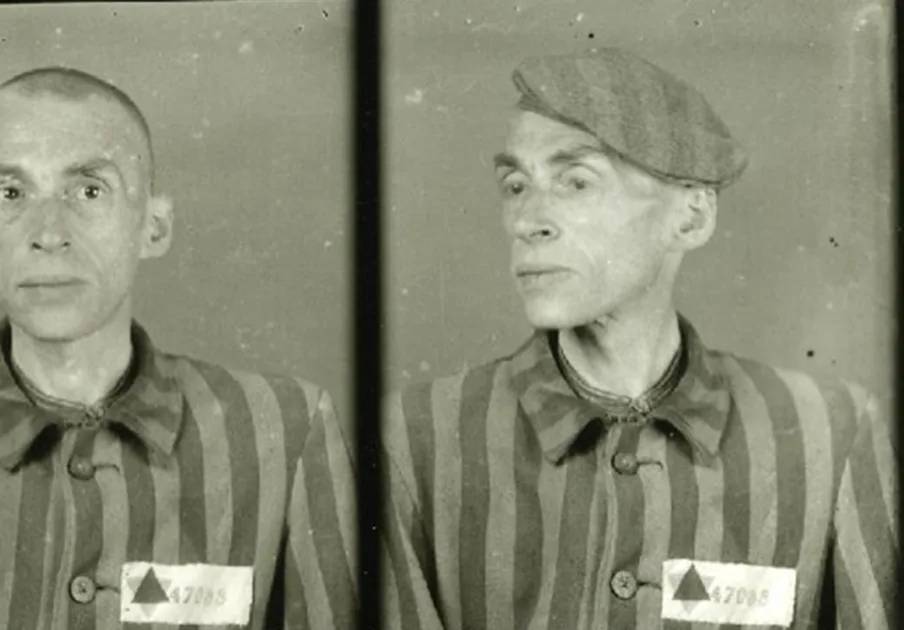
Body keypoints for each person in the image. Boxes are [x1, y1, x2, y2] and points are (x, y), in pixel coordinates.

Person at [378, 48, 897, 628]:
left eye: (577, 182)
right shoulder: (417, 439)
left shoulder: (829, 433)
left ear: (692, 217)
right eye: (516, 185)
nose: (528, 220)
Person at [0, 66, 353, 629]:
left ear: (154, 226)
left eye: (88, 190)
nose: (48, 234)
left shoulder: (284, 431)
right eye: (10, 193)